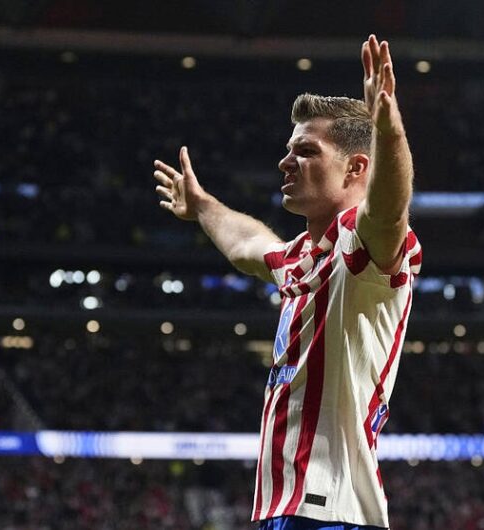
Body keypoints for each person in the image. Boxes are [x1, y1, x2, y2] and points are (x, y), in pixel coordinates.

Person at [153, 34, 421, 530]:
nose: (285, 162)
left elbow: (388, 211)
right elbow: (246, 244)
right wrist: (203, 206)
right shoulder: (301, 257)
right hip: (285, 510)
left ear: (356, 168)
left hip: (330, 512)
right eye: (288, 150)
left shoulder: (362, 250)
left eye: (306, 151)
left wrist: (389, 131)